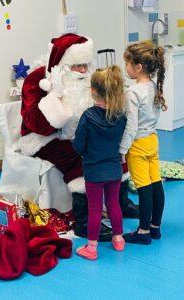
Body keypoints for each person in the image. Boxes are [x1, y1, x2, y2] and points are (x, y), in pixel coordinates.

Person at [19, 33, 138, 241]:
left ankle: (121, 202)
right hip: (46, 137)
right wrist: (55, 96)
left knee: (114, 149)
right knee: (80, 159)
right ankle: (84, 223)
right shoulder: (38, 80)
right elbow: (36, 124)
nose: (83, 71)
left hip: (81, 131)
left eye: (86, 65)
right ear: (63, 64)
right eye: (77, 67)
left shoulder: (89, 76)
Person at [73, 66, 127, 260]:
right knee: (114, 204)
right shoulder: (121, 116)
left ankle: (92, 248)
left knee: (95, 208)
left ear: (94, 91)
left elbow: (78, 145)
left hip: (94, 170)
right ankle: (119, 240)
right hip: (114, 168)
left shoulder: (87, 116)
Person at [120, 42, 166, 245]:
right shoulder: (153, 86)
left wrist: (122, 150)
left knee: (143, 188)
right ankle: (155, 227)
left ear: (138, 67)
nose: (126, 68)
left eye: (127, 63)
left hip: (137, 144)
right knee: (156, 183)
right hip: (152, 140)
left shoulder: (132, 92)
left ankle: (143, 232)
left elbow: (130, 127)